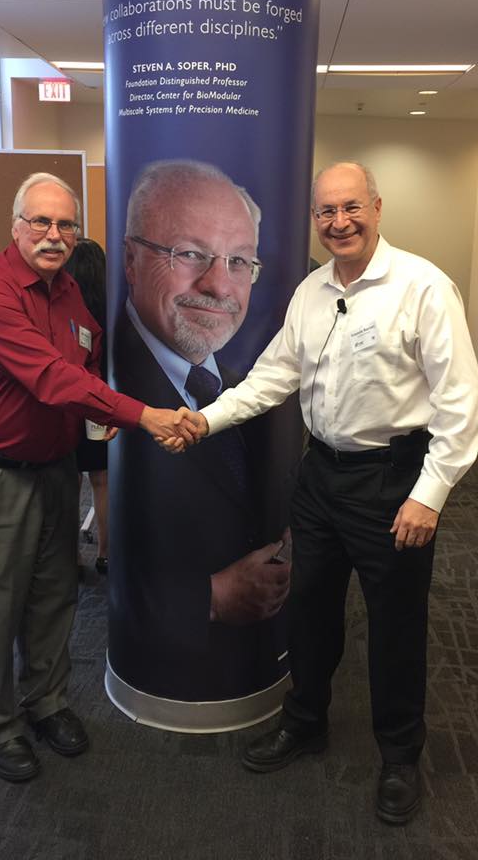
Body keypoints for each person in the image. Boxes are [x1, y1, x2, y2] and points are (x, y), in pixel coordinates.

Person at [166, 162, 478, 824]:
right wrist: (206, 418)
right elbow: (272, 377)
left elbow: (461, 403)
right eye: (326, 212)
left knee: (395, 626)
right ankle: (305, 720)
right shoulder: (311, 292)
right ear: (315, 220)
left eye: (351, 208)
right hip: (322, 479)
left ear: (376, 206)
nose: (339, 222)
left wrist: (431, 493)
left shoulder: (422, 287)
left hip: (394, 481)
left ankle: (399, 756)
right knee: (307, 609)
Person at [0, 172, 197, 783]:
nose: (54, 235)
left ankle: (46, 702)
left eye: (66, 225)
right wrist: (145, 416)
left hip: (53, 468)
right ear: (15, 226)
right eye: (41, 222)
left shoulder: (67, 294)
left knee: (54, 593)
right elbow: (53, 377)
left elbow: (90, 358)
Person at [110, 159, 296, 704]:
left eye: (239, 261)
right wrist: (208, 599)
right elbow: (102, 554)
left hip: (255, 657)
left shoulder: (249, 380)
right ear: (130, 261)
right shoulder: (104, 375)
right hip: (166, 672)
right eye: (189, 254)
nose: (219, 285)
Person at [64, 238, 110, 577]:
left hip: (68, 405)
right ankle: (105, 552)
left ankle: (72, 557)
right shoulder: (116, 310)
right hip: (104, 405)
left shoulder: (63, 311)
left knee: (69, 482)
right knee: (102, 481)